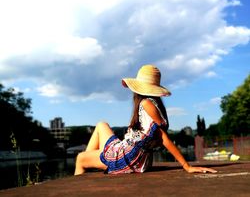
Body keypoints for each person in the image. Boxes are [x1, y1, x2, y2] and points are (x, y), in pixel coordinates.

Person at [74, 65, 217, 175]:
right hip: (135, 154)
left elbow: (163, 138)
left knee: (80, 158)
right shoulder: (153, 104)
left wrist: (187, 166)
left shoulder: (146, 104)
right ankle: (92, 163)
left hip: (130, 157)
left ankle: (86, 169)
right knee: (101, 125)